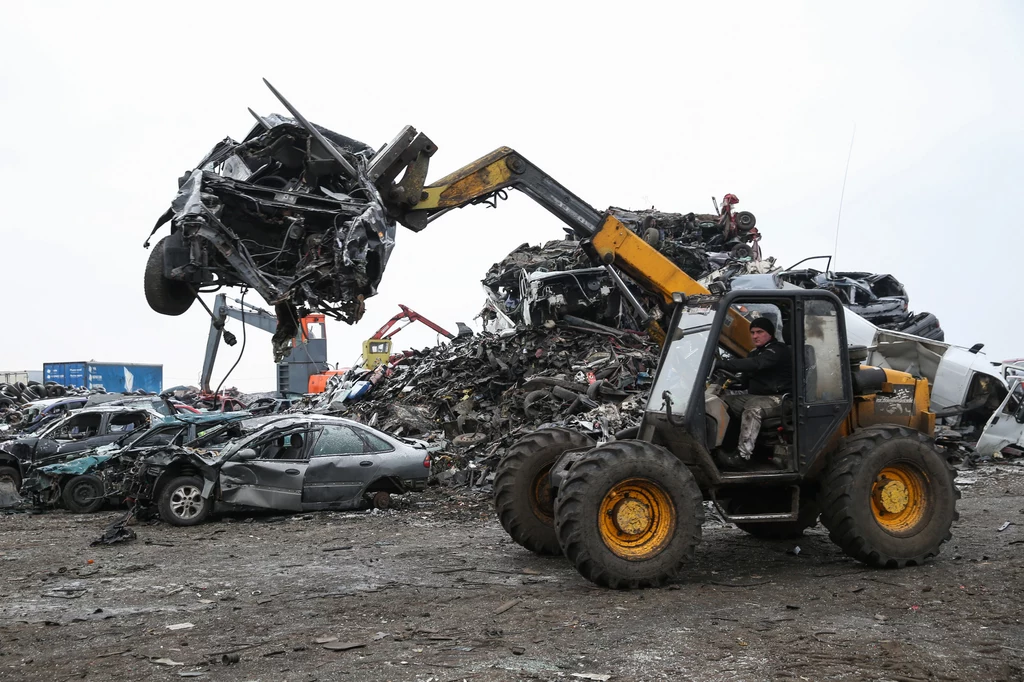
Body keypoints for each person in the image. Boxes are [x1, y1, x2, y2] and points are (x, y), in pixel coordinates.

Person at [718, 317, 792, 468]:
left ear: (770, 334)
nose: (755, 336)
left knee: (753, 408)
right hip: (757, 396)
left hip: (780, 399)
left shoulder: (777, 350)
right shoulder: (754, 353)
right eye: (752, 332)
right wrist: (725, 384)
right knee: (722, 402)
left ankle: (743, 457)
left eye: (760, 332)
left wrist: (723, 363)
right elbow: (744, 382)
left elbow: (757, 364)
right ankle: (726, 447)